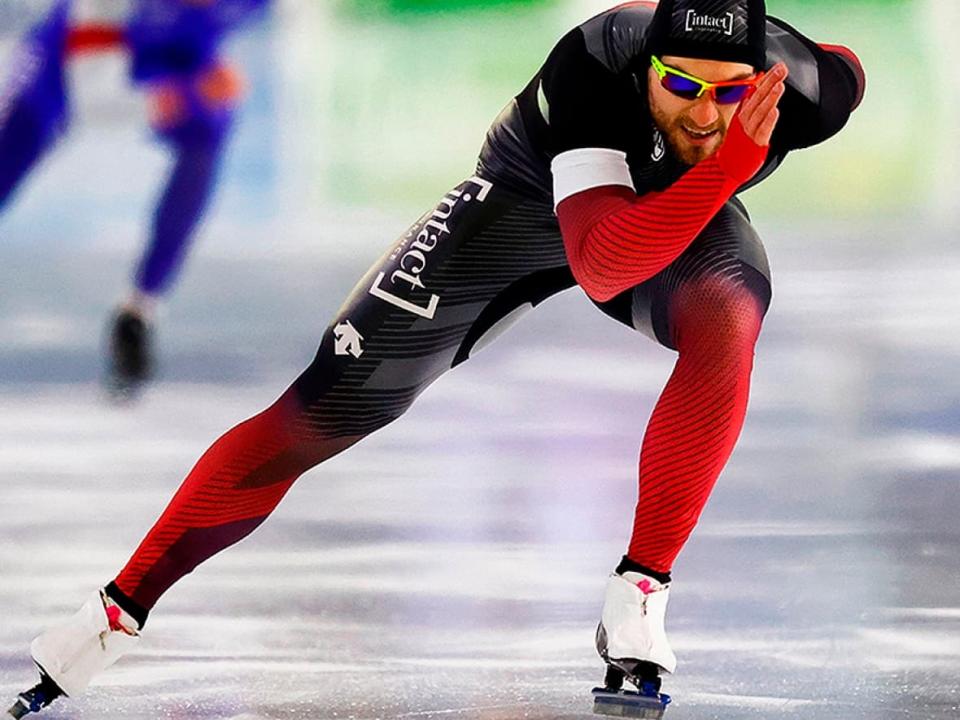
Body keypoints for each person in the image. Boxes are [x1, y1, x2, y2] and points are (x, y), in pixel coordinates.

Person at [7, 0, 866, 717]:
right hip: (524, 211)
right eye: (679, 86)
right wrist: (730, 169)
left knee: (728, 315)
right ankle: (103, 622)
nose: (704, 114)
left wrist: (719, 169)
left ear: (767, 83)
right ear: (647, 66)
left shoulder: (806, 91)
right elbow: (604, 259)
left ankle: (639, 605)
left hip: (669, 218)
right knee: (312, 420)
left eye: (728, 92)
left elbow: (845, 65)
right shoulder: (594, 69)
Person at [0, 0, 268, 393]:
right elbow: (96, 102)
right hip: (65, 60)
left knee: (210, 128)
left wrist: (198, 79)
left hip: (169, 52)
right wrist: (192, 92)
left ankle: (141, 307)